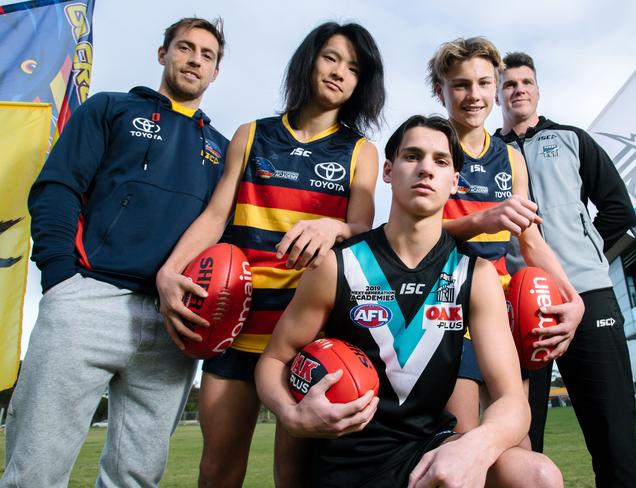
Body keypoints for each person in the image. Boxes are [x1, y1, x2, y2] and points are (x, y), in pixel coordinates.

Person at [255, 115, 563, 488]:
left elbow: (513, 401)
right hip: (342, 455)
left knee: (538, 475)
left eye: (441, 161)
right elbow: (274, 360)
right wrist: (291, 414)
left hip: (429, 452)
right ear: (388, 170)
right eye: (412, 156)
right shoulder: (338, 265)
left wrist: (475, 446)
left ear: (454, 181)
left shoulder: (475, 275)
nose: (426, 169)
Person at [1, 17, 228, 488]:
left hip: (172, 322)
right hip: (89, 299)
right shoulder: (112, 109)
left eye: (207, 55)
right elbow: (58, 187)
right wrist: (62, 277)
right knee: (35, 469)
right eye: (185, 48)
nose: (194, 60)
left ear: (216, 72)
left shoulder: (222, 149)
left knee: (136, 477)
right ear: (162, 54)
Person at [156, 22, 385, 487]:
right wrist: (168, 272)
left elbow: (362, 230)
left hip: (307, 334)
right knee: (218, 469)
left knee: (294, 477)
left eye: (354, 68)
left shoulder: (361, 150)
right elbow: (216, 216)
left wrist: (334, 225)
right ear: (309, 60)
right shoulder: (251, 134)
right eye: (331, 57)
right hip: (235, 323)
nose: (340, 72)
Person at [495, 51, 636, 487]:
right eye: (509, 84)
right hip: (520, 303)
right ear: (499, 94)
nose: (518, 89)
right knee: (520, 439)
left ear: (538, 90)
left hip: (588, 292)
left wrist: (586, 246)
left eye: (526, 82)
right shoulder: (486, 155)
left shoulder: (572, 139)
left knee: (613, 435)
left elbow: (618, 209)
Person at [425, 37, 585, 433]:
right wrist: (482, 220)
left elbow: (530, 241)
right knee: (460, 443)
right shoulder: (430, 144)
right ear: (439, 90)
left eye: (483, 83)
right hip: (442, 308)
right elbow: (412, 234)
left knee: (519, 448)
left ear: (494, 88)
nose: (474, 95)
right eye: (461, 84)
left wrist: (573, 297)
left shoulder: (510, 158)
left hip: (500, 313)